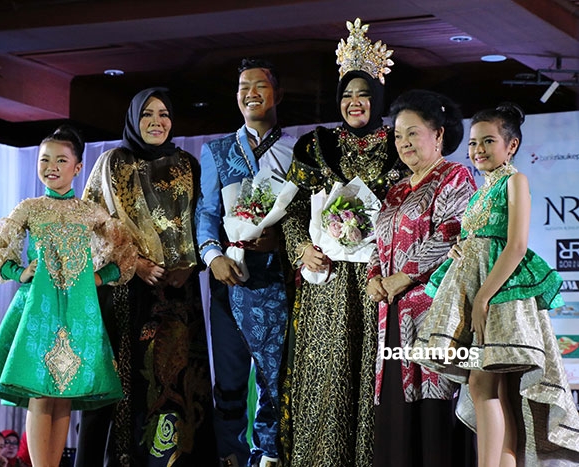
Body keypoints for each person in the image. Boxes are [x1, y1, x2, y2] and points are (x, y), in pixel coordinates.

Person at [412, 103, 579, 465]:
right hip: (478, 289)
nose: (478, 150)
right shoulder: (480, 191)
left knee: (485, 383)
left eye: (488, 141)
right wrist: (460, 248)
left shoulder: (515, 181)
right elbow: (481, 239)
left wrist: (483, 298)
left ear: (511, 145)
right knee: (496, 389)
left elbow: (516, 245)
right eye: (473, 143)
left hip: (502, 296)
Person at [280, 18, 405, 466]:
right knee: (328, 376)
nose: (355, 102)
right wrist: (301, 248)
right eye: (348, 94)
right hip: (328, 285)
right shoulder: (315, 145)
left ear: (378, 98)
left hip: (378, 282)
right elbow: (293, 209)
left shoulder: (400, 145)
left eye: (364, 94)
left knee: (371, 374)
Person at [0, 125, 136, 467]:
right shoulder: (30, 208)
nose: (52, 166)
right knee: (40, 391)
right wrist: (18, 272)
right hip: (38, 308)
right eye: (45, 159)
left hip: (78, 311)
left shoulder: (90, 212)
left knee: (65, 393)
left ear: (77, 168)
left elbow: (124, 252)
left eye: (61, 160)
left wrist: (100, 276)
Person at [76, 87, 215, 466]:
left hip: (179, 294)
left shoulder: (187, 164)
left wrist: (193, 265)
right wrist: (135, 263)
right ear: (134, 119)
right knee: (130, 383)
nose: (157, 122)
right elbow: (92, 225)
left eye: (164, 114)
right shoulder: (112, 163)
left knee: (179, 381)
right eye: (147, 114)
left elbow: (203, 219)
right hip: (128, 292)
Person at [365, 89, 477, 467]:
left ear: (438, 134)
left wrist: (403, 277)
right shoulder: (396, 190)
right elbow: (377, 242)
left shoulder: (455, 176)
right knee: (397, 414)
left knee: (434, 414)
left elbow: (451, 233)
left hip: (433, 314)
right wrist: (374, 277)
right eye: (399, 135)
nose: (404, 143)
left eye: (413, 133)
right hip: (392, 316)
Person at [195, 58, 295, 467]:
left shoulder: (297, 150)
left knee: (276, 379)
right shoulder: (217, 150)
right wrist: (213, 255)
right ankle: (230, 457)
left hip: (278, 281)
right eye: (243, 88)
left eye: (260, 86)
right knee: (230, 382)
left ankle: (271, 455)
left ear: (278, 94)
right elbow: (206, 213)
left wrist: (281, 240)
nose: (251, 94)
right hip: (229, 279)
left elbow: (304, 216)